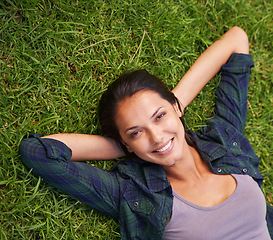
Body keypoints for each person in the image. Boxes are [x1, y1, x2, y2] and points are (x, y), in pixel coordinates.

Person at [19, 26, 273, 239]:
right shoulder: (135, 194)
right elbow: (37, 152)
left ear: (175, 107)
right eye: (136, 132)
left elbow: (237, 40)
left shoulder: (225, 139)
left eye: (160, 116)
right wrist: (126, 146)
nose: (157, 137)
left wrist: (173, 106)